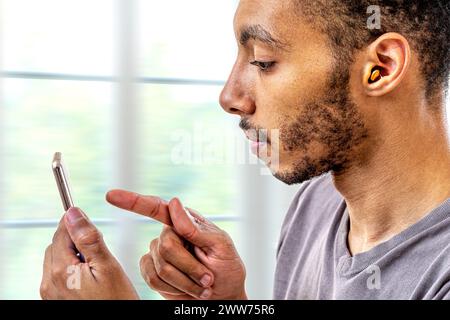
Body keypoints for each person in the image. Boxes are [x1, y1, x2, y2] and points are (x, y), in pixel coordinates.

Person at [40, 0, 450, 299]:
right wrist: (226, 302)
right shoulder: (316, 205)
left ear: (381, 67)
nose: (230, 96)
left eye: (264, 61)